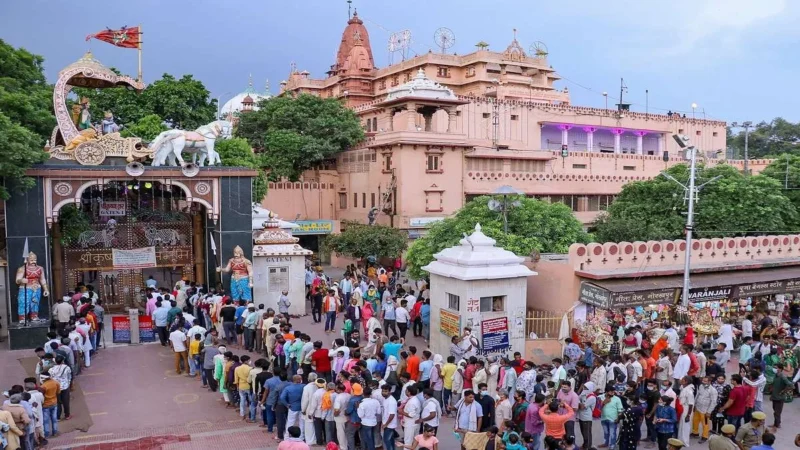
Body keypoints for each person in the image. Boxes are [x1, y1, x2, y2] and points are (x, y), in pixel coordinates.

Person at [770, 362, 792, 429]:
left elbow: (790, 385)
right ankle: (776, 423)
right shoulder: (776, 375)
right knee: (775, 411)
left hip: (779, 398)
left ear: (780, 369)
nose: (775, 369)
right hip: (774, 396)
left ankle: (777, 425)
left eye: (776, 368)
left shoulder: (783, 376)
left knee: (777, 412)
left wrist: (783, 391)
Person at [576, 382, 595, 450]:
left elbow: (582, 407)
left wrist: (578, 403)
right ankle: (585, 445)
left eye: (586, 388)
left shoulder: (592, 397)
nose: (584, 389)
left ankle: (588, 447)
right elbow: (577, 398)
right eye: (584, 387)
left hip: (587, 417)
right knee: (583, 433)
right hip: (581, 416)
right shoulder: (584, 393)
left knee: (587, 434)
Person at [381, 385, 398, 450]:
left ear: (390, 392)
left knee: (387, 440)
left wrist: (386, 424)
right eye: (383, 391)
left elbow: (392, 415)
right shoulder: (385, 399)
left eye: (386, 391)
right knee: (390, 440)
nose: (384, 393)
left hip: (390, 425)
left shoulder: (391, 401)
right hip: (387, 423)